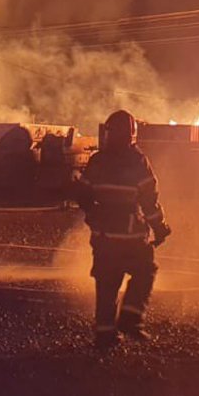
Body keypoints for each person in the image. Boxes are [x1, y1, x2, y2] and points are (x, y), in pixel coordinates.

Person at [72, 110, 172, 348]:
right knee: (146, 270)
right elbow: (149, 199)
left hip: (103, 236)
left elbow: (82, 193)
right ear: (132, 135)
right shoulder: (137, 162)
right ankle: (130, 318)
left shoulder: (98, 160)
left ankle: (105, 335)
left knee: (106, 284)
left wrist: (93, 215)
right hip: (130, 236)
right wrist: (160, 227)